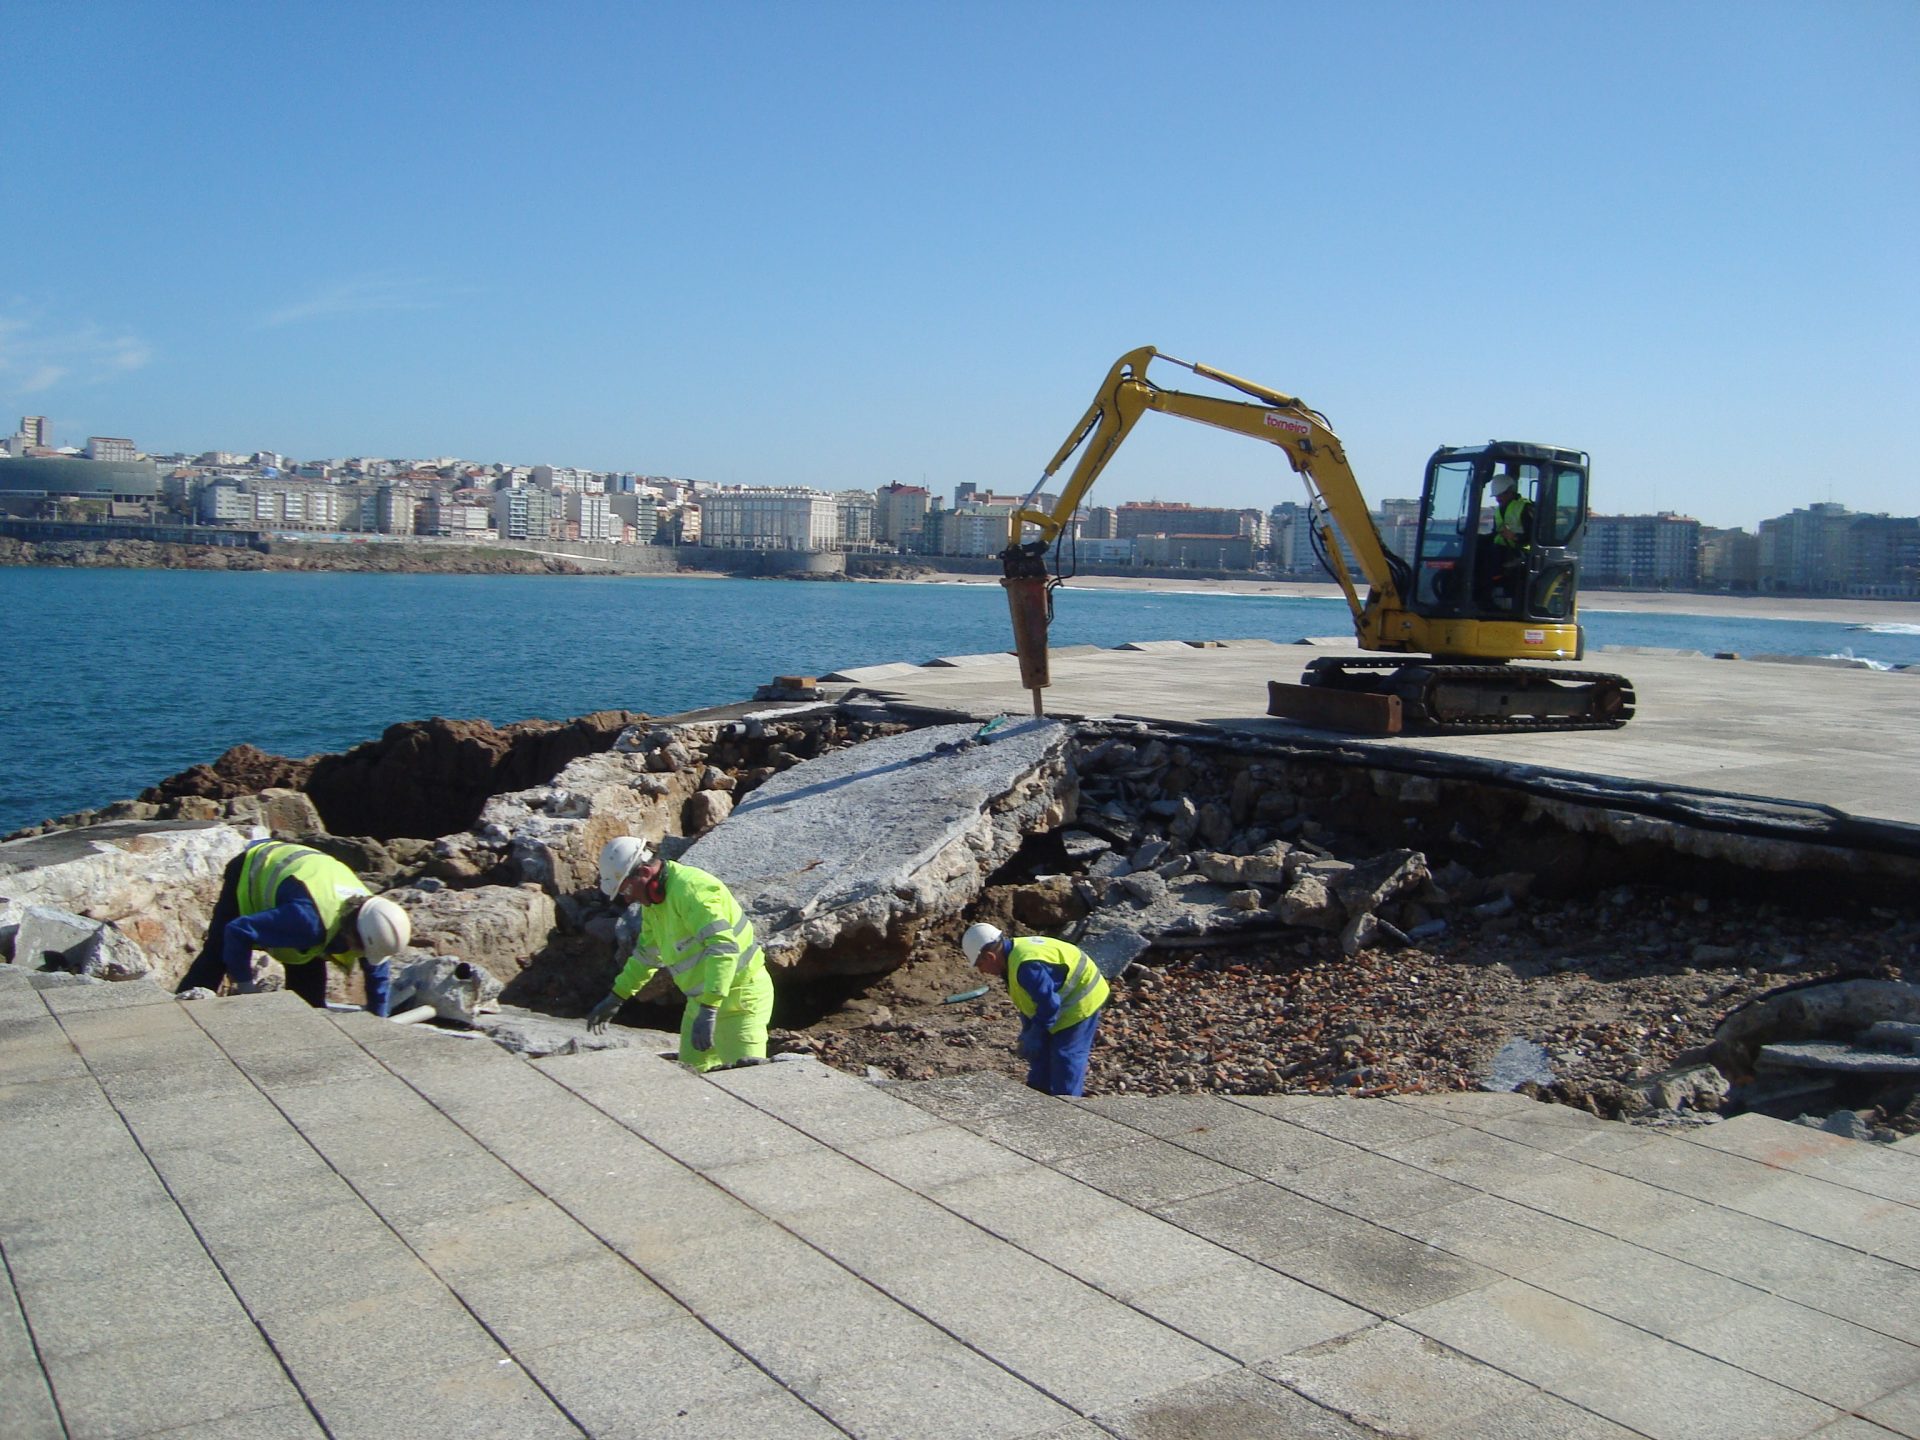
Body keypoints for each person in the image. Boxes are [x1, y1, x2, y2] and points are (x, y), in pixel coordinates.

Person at [586, 837, 773, 1072]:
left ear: (645, 871)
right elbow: (646, 956)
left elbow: (722, 948)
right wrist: (617, 995)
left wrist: (710, 1009)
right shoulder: (654, 905)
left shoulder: (692, 890)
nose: (628, 898)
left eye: (627, 888)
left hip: (740, 1003)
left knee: (750, 1081)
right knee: (690, 1084)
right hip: (701, 1005)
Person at [176, 839, 408, 1014]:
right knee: (218, 951)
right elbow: (238, 931)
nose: (359, 955)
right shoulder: (306, 921)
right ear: (353, 931)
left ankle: (304, 1032)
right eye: (359, 949)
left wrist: (378, 1023)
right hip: (254, 866)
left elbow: (377, 979)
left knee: (307, 974)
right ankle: (182, 1017)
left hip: (304, 875)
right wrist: (246, 989)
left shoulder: (374, 922)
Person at [962, 922, 1109, 1097]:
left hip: (1082, 997)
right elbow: (1033, 999)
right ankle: (1039, 1094)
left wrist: (1037, 1031)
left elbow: (1049, 1004)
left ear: (990, 957)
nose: (982, 971)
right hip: (1060, 998)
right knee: (1041, 1053)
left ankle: (1070, 1106)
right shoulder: (1011, 957)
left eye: (980, 966)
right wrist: (1029, 1028)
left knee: (1066, 1056)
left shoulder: (1026, 967)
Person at [1480, 469, 1534, 607]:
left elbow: (1534, 536)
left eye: (1501, 495)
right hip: (1501, 548)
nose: (1498, 499)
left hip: (1520, 551)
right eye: (1496, 496)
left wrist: (1515, 537)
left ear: (1511, 491)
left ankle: (1487, 600)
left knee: (1489, 563)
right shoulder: (1499, 510)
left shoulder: (1525, 507)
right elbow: (1496, 532)